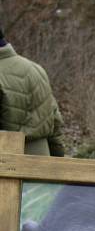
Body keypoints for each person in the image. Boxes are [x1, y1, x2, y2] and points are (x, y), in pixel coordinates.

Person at [0, 26, 65, 156]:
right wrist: (57, 163)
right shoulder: (36, 69)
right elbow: (55, 123)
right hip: (40, 162)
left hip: (7, 164)